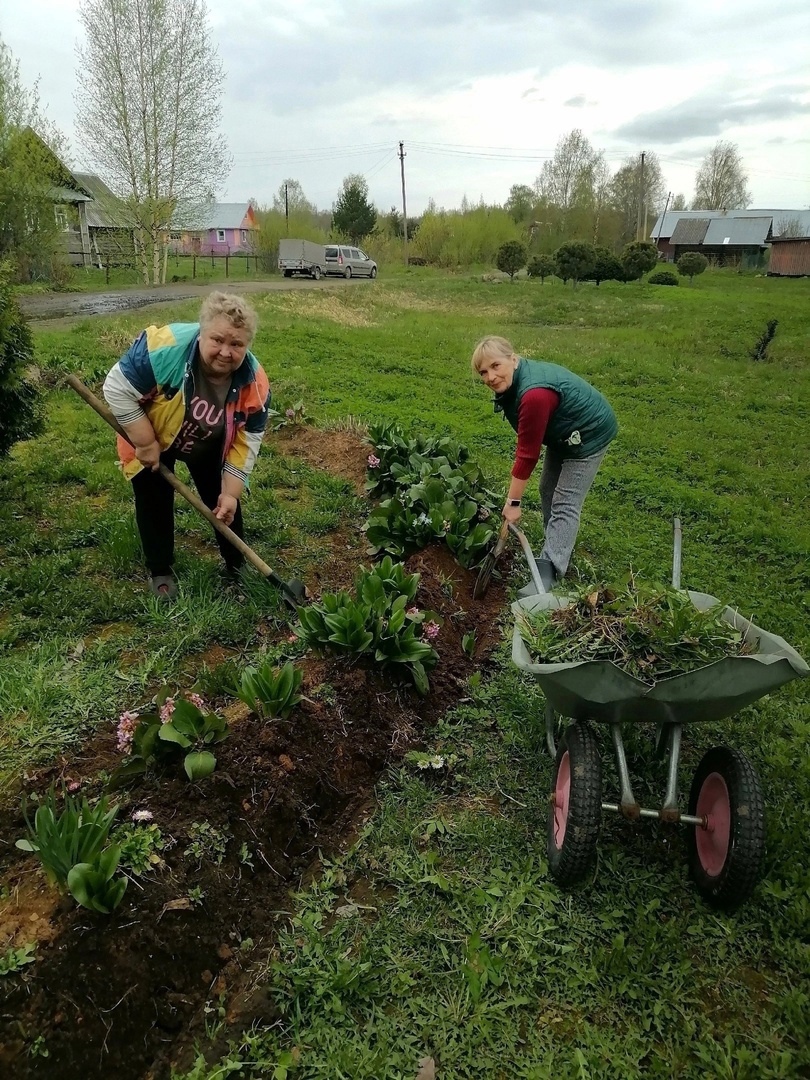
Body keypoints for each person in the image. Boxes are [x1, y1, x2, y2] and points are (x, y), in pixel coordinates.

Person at [103, 291, 270, 599]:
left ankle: (236, 564)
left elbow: (248, 441)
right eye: (217, 340)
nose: (225, 352)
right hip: (154, 429)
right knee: (153, 496)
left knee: (222, 502)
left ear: (247, 345)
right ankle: (161, 571)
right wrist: (145, 441)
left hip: (207, 441)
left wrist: (231, 492)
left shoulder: (254, 385)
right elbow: (116, 386)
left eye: (237, 344)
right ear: (200, 333)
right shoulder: (164, 347)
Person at [471, 335, 617, 590]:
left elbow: (527, 455)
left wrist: (513, 503)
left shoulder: (534, 394)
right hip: (563, 431)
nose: (490, 377)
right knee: (547, 488)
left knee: (565, 502)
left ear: (513, 359)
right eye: (483, 372)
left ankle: (551, 570)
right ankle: (557, 543)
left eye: (495, 366)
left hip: (589, 433)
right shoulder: (518, 382)